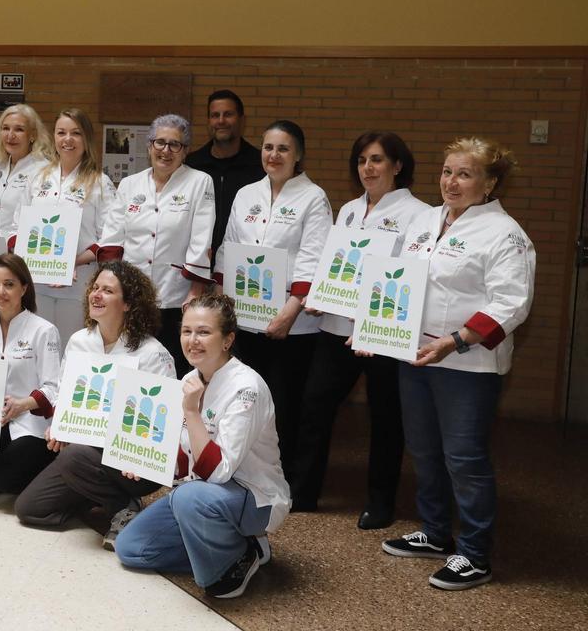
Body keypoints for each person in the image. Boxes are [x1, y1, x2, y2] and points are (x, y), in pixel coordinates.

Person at [381, 137, 534, 591]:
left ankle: (475, 553)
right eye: (447, 171)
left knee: (464, 459)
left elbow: (513, 303)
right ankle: (433, 532)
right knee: (424, 449)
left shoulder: (506, 234)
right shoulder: (426, 221)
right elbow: (397, 280)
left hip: (467, 364)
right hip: (416, 356)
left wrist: (456, 340)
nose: (452, 181)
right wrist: (374, 324)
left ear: (489, 183)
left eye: (464, 174)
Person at [291, 132, 429, 529]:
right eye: (362, 161)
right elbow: (336, 267)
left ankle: (381, 502)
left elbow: (408, 279)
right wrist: (320, 295)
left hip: (383, 332)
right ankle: (303, 490)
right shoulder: (349, 210)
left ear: (398, 165)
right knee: (315, 405)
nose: (368, 168)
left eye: (378, 160)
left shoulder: (418, 214)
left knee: (386, 417)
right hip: (336, 328)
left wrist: (371, 323)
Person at [113, 293, 290, 600]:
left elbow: (218, 472)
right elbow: (185, 458)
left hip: (253, 496)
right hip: (201, 495)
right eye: (186, 331)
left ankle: (231, 561)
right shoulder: (190, 379)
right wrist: (146, 462)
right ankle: (243, 548)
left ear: (227, 339)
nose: (192, 340)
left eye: (204, 332)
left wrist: (192, 412)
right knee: (130, 549)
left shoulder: (247, 387)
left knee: (189, 500)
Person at [15, 261, 175, 547]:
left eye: (108, 291)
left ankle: (124, 506)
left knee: (74, 456)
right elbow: (65, 395)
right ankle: (105, 497)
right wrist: (58, 427)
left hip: (133, 463)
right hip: (85, 452)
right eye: (95, 288)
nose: (96, 295)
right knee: (30, 509)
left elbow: (162, 425)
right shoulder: (79, 341)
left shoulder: (152, 354)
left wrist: (139, 452)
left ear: (128, 304)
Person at [216, 120, 330, 479]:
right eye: (268, 147)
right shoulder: (247, 194)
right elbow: (228, 250)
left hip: (291, 323)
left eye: (283, 149)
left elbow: (314, 257)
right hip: (246, 316)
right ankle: (246, 471)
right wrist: (221, 302)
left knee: (285, 402)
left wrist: (290, 312)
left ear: (299, 155)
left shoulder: (313, 197)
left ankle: (288, 479)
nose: (274, 155)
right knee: (245, 398)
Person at [98, 114, 214, 376]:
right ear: (149, 146)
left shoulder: (200, 182)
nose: (166, 150)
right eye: (160, 143)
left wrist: (195, 291)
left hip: (175, 295)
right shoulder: (129, 184)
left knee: (170, 369)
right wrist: (110, 289)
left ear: (185, 151)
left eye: (175, 144)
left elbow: (201, 238)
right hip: (131, 297)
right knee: (129, 365)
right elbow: (113, 239)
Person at [15, 109, 116, 349]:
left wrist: (73, 262)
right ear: (54, 137)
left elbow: (110, 238)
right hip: (37, 282)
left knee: (73, 349)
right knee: (36, 348)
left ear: (86, 139)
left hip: (79, 284)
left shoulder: (100, 182)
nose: (67, 139)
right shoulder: (38, 178)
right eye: (61, 133)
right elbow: (17, 226)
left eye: (75, 133)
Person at [0, 253, 61, 503]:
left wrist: (23, 403)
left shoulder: (44, 330)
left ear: (24, 288)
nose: (1, 291)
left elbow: (53, 387)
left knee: (6, 482)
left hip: (30, 423)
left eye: (9, 284)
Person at [0, 104, 53, 305]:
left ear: (32, 135)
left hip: (21, 267)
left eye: (19, 129)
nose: (10, 135)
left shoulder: (44, 171)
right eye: (5, 128)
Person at [186, 90, 265, 262]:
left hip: (243, 264)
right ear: (208, 121)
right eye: (215, 115)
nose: (221, 121)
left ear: (242, 120)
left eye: (228, 114)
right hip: (195, 264)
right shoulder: (191, 165)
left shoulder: (260, 167)